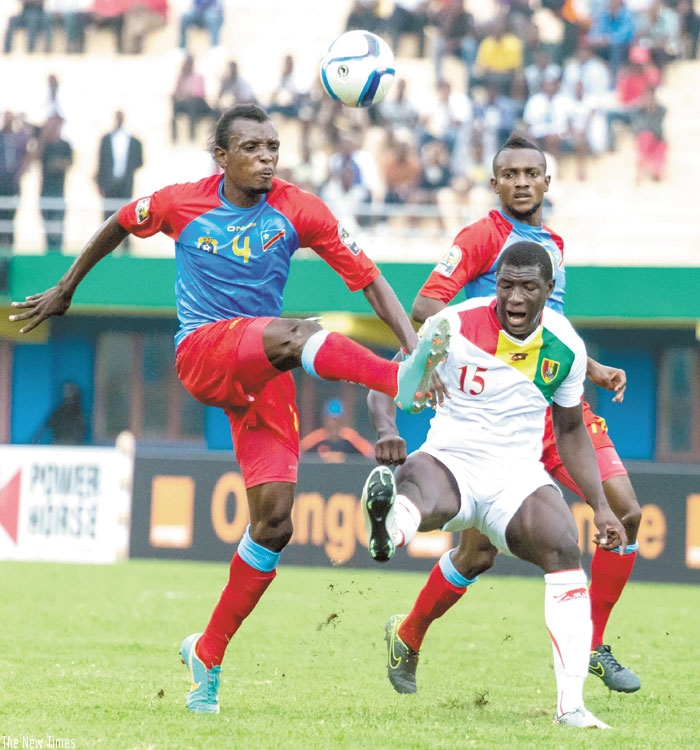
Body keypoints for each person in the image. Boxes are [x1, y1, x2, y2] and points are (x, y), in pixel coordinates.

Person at [9, 103, 450, 715]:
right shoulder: (180, 202)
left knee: (274, 524)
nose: (267, 156)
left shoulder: (301, 209)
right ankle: (400, 382)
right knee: (300, 334)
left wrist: (411, 338)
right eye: (252, 147)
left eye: (273, 146)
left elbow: (370, 280)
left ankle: (208, 655)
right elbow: (118, 221)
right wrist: (66, 286)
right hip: (206, 351)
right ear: (221, 157)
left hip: (261, 373)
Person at [362, 133, 642, 696]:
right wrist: (451, 354)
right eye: (508, 174)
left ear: (545, 182)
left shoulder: (552, 242)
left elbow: (549, 333)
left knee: (625, 512)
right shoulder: (483, 235)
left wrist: (593, 368)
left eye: (529, 174)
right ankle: (410, 634)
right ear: (494, 184)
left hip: (553, 406)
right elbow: (427, 305)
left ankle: (592, 644)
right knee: (478, 551)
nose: (520, 183)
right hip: (490, 413)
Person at [95, 110, 144, 227]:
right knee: (108, 216)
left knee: (126, 214)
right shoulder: (106, 139)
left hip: (125, 184)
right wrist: (100, 182)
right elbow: (101, 163)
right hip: (109, 184)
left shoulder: (134, 141)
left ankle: (126, 242)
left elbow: (139, 161)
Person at [38, 114, 72, 253]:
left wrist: (59, 164)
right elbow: (37, 156)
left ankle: (57, 252)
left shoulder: (65, 145)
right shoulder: (45, 145)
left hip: (59, 191)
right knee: (46, 225)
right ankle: (48, 251)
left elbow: (69, 162)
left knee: (57, 226)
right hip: (45, 190)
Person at [300, 398, 374, 462]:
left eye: (337, 419)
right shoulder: (317, 437)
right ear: (325, 419)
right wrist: (323, 458)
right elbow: (299, 451)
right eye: (331, 419)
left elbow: (370, 453)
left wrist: (345, 458)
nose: (334, 423)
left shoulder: (349, 437)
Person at [0, 111, 31, 253]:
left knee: (10, 220)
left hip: (12, 186)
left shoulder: (18, 139)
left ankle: (9, 250)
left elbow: (27, 154)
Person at [630, 85, 668, 183]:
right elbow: (638, 128)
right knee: (645, 138)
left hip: (658, 140)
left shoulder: (660, 110)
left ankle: (656, 172)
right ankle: (641, 171)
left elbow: (657, 127)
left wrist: (652, 108)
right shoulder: (638, 111)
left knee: (661, 148)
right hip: (645, 139)